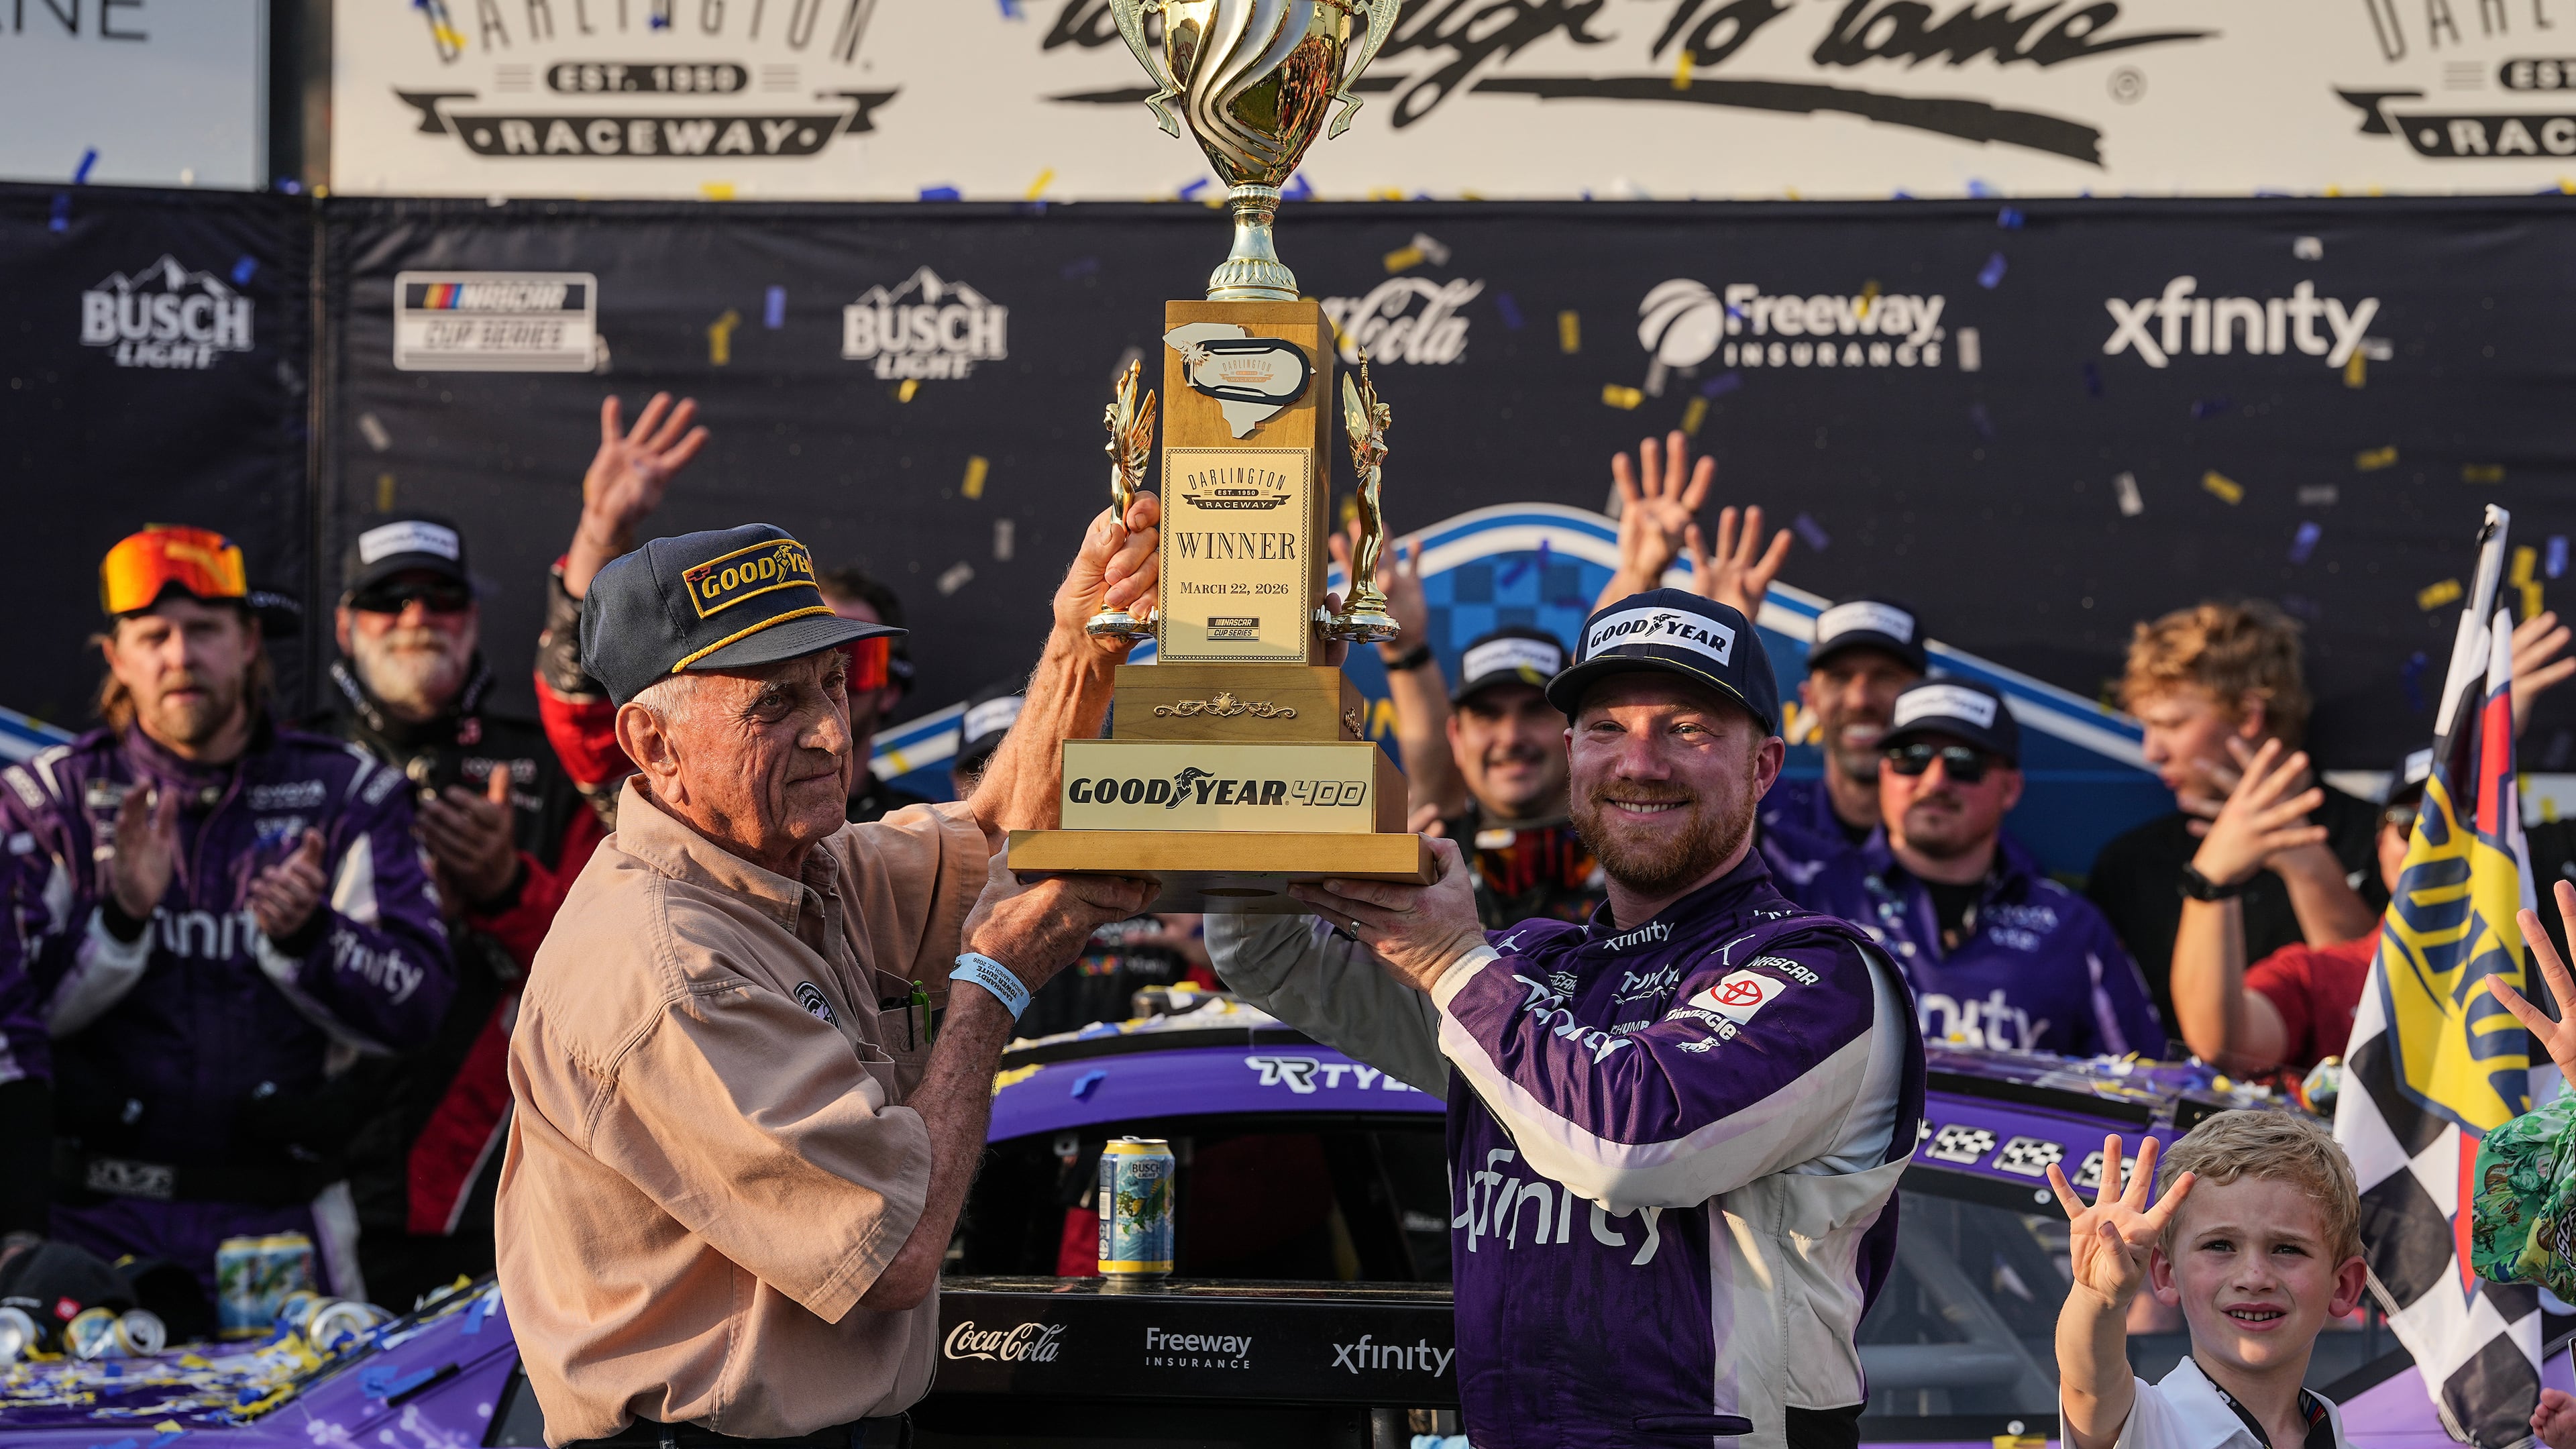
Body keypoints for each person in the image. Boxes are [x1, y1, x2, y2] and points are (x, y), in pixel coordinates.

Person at [496, 504, 1165, 1446]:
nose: (827, 734)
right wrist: (992, 988)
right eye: (774, 704)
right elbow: (892, 1257)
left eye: (833, 685)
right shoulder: (670, 968)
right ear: (652, 745)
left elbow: (1003, 833)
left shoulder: (801, 865)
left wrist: (1082, 642)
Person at [1208, 588, 1925, 1449]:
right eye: (1607, 729)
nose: (1641, 763)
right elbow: (1269, 954)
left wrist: (1448, 961)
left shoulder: (1823, 973)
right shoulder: (1532, 967)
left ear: (1765, 767)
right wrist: (1290, 730)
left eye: (1688, 730)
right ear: (1573, 753)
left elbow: (1630, 1143)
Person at [0, 525, 451, 1297]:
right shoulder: (48, 802)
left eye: (204, 630)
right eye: (154, 635)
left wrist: (312, 937)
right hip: (95, 1227)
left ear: (248, 642)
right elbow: (14, 1023)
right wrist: (120, 922)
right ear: (116, 658)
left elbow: (419, 1006)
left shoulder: (347, 793)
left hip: (284, 1232)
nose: (180, 656)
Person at [309, 513, 609, 1309]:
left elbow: (622, 969)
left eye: (440, 598)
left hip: (499, 1188)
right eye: (388, 599)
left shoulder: (547, 766)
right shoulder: (293, 768)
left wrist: (507, 889)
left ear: (471, 620)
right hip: (309, 1180)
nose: (416, 618)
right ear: (346, 624)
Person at [1795, 680, 2163, 1057]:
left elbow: (2145, 1082)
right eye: (1913, 758)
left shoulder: (2074, 927)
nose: (1935, 782)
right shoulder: (1802, 897)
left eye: (1963, 763)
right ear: (1885, 773)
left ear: (2010, 789)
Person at [2086, 602, 2380, 1033]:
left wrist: (2304, 863)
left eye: (2172, 724)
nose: (2152, 752)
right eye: (2146, 727)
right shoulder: (2132, 864)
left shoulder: (2384, 840)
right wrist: (2210, 874)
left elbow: (2375, 1009)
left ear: (2248, 716)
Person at [2052, 1114, 2367, 1449]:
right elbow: (2088, 1387)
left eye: (2287, 1249)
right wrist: (2095, 1297)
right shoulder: (2149, 1427)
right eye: (2220, 1246)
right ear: (2165, 1274)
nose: (2254, 1277)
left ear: (2344, 1285)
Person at [2167, 747, 2425, 1079]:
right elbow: (2226, 1044)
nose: (2430, 844)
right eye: (2409, 825)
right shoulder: (2320, 974)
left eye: (2463, 826)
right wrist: (2212, 880)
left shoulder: (2515, 970)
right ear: (2381, 845)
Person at [533, 392, 713, 833]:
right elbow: (581, 704)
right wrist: (600, 532)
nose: (824, 726)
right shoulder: (680, 805)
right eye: (773, 695)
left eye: (840, 672)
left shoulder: (901, 832)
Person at [1760, 597, 1931, 888]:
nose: (1860, 700)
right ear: (1810, 699)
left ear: (1922, 697)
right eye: (1840, 678)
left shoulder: (1966, 845)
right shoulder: (1763, 813)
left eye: (1885, 677)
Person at [819, 566, 932, 822]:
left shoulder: (916, 829)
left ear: (890, 691)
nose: (829, 684)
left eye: (854, 662)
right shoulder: (737, 817)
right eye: (808, 659)